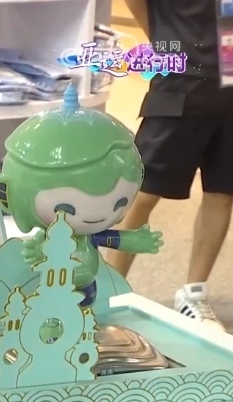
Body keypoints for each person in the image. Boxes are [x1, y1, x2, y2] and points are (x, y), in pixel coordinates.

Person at [110, 0, 233, 331]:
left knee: (223, 192)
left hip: (230, 78)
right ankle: (110, 289)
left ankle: (194, 293)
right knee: (142, 191)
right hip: (180, 81)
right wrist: (166, 42)